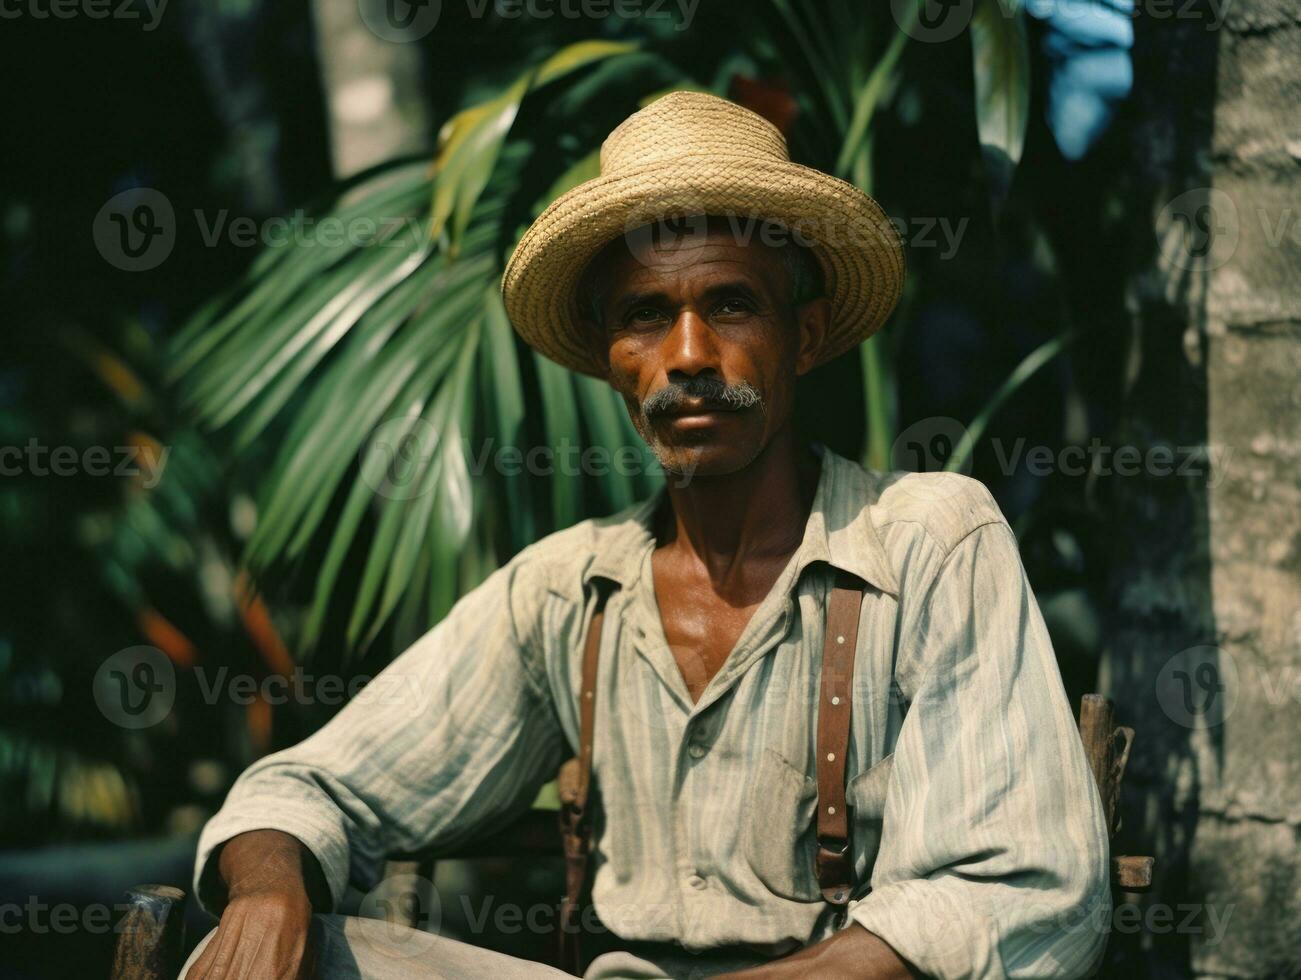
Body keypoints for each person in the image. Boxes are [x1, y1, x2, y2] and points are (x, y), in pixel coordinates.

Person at [183, 92, 1110, 980]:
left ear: (808, 335)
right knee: (294, 956)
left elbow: (1022, 890)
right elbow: (310, 788)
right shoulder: (566, 591)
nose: (690, 354)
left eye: (733, 304)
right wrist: (268, 896)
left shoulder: (928, 542)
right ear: (609, 361)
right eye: (644, 316)